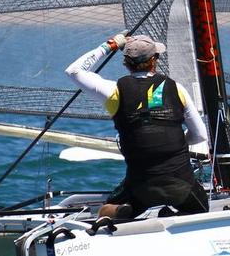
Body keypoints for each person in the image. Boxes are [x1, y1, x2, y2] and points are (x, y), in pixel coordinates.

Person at [66, 33, 209, 222]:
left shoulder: (114, 91)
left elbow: (73, 71)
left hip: (140, 186)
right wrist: (176, 142)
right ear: (154, 60)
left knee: (105, 210)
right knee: (200, 208)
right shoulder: (177, 89)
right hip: (181, 184)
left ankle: (122, 212)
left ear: (126, 63)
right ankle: (172, 215)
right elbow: (199, 135)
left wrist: (111, 45)